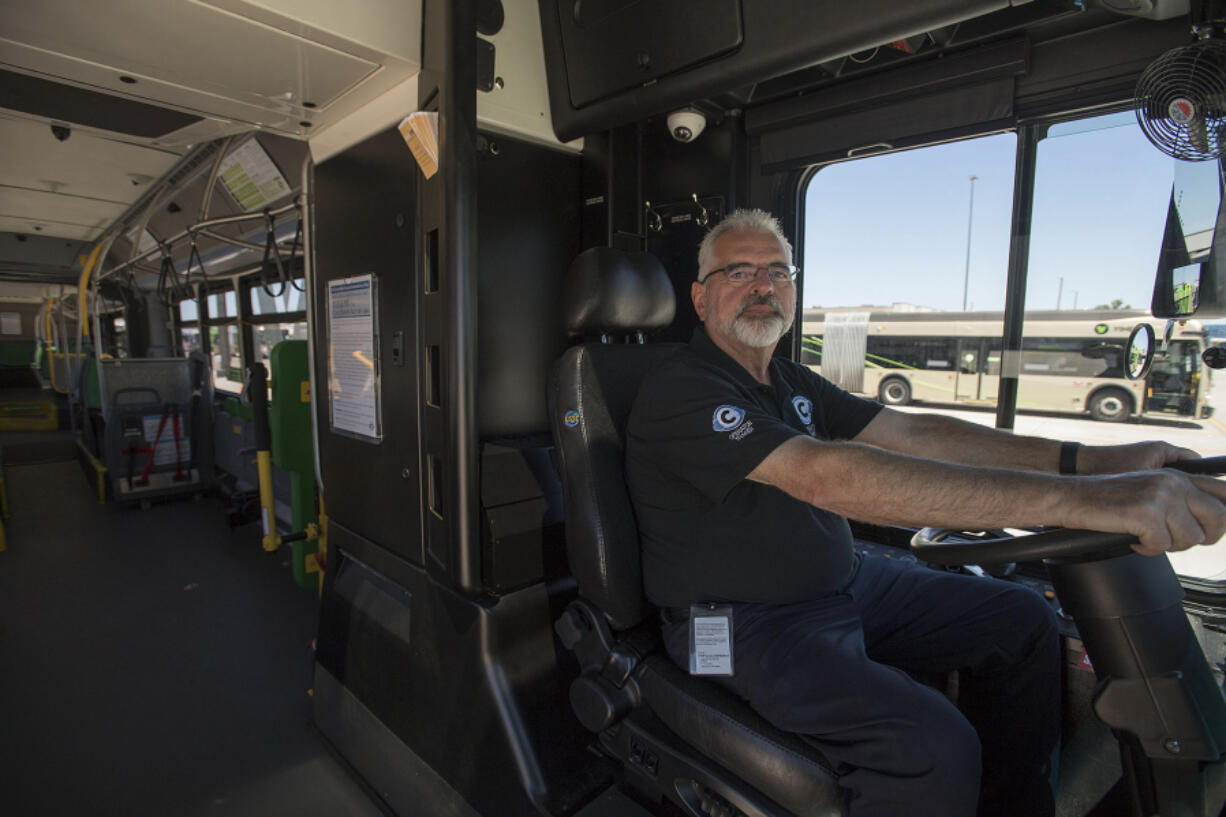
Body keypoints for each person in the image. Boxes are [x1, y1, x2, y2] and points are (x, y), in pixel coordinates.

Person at [623, 208, 1226, 817]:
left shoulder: (790, 379)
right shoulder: (682, 385)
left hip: (845, 583)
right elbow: (824, 477)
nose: (764, 286)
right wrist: (1087, 502)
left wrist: (1092, 464)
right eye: (740, 272)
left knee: (1020, 621)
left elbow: (914, 433)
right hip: (739, 623)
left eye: (779, 272)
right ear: (701, 300)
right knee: (930, 745)